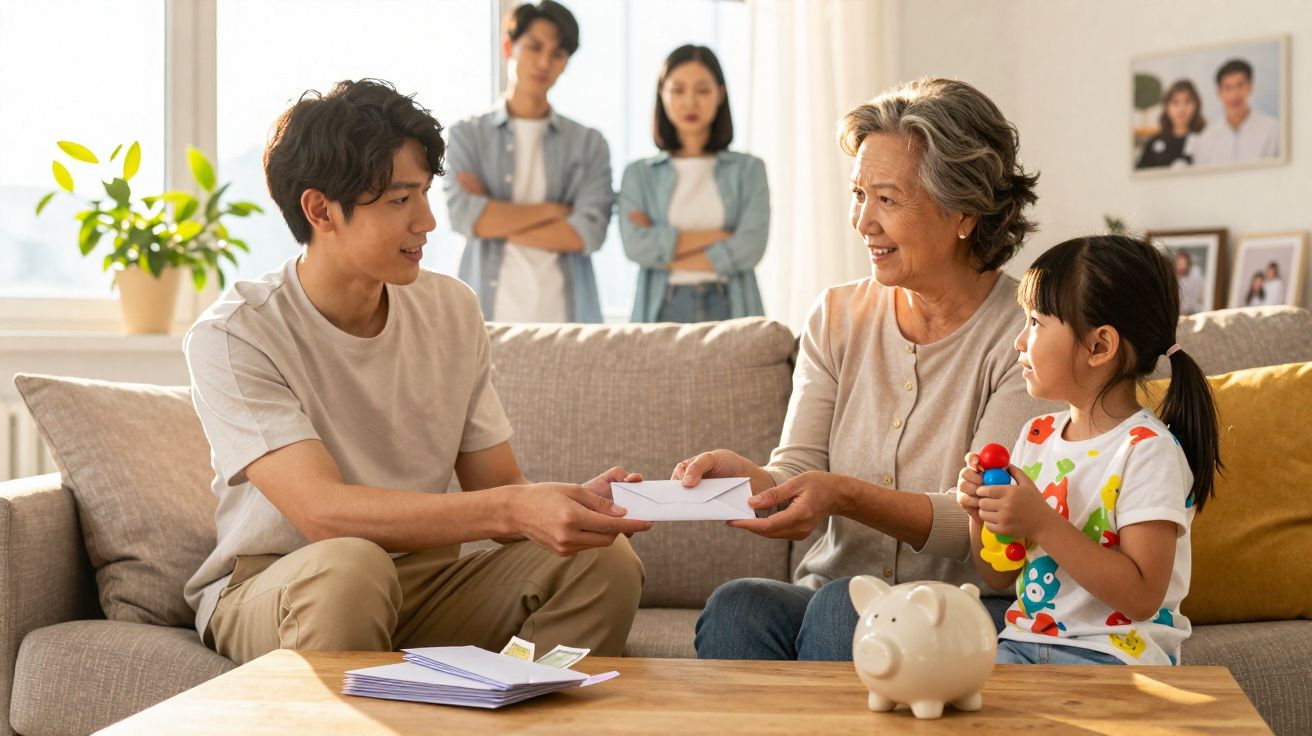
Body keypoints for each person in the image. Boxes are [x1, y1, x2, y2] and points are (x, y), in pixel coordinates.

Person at [182, 79, 651, 666]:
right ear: (320, 209)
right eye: (401, 200)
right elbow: (323, 513)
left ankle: (513, 717)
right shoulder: (235, 334)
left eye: (426, 194)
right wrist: (512, 509)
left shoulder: (450, 308)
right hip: (285, 585)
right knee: (352, 565)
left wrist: (571, 507)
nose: (428, 221)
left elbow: (498, 491)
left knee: (603, 560)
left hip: (424, 585)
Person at [681, 78, 1054, 661]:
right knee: (739, 604)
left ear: (962, 211)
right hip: (832, 593)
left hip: (961, 607)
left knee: (844, 610)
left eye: (887, 198)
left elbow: (982, 520)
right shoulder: (836, 315)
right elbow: (800, 469)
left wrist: (845, 497)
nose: (863, 223)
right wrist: (759, 483)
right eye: (859, 194)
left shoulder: (1030, 335)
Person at [956, 234, 1220, 666]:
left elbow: (1141, 597)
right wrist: (981, 514)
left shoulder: (1147, 451)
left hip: (1113, 656)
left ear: (1099, 346)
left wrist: (1040, 522)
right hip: (1020, 644)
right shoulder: (1036, 435)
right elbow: (999, 574)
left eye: (1036, 322)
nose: (1019, 342)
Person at [443, 1, 613, 323]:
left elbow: (586, 234)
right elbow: (465, 217)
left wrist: (494, 214)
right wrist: (553, 212)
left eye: (558, 54)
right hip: (487, 319)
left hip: (567, 321)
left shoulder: (589, 143)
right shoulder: (467, 135)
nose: (544, 62)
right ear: (509, 46)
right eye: (534, 47)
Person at [619, 45, 769, 323]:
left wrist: (664, 251)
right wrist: (719, 235)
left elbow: (750, 247)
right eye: (678, 90)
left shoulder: (749, 170)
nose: (690, 102)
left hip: (731, 305)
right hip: (662, 307)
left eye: (702, 90)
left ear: (720, 95)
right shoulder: (639, 174)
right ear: (662, 94)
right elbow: (635, 247)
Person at [1192, 59, 1280, 166]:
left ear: (1250, 87)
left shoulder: (1273, 130)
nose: (1234, 95)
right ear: (1219, 93)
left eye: (1240, 86)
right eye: (1228, 88)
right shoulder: (1206, 138)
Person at [1136, 79, 1205, 169]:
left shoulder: (1205, 140)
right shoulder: (1153, 143)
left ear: (1196, 105)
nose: (1181, 109)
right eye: (1175, 102)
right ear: (1167, 107)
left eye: (1188, 102)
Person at [1173, 250, 1206, 315]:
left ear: (1188, 263)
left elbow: (1200, 296)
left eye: (1183, 263)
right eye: (1179, 263)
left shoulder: (1195, 275)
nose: (1180, 266)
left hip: (1192, 313)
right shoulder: (1173, 277)